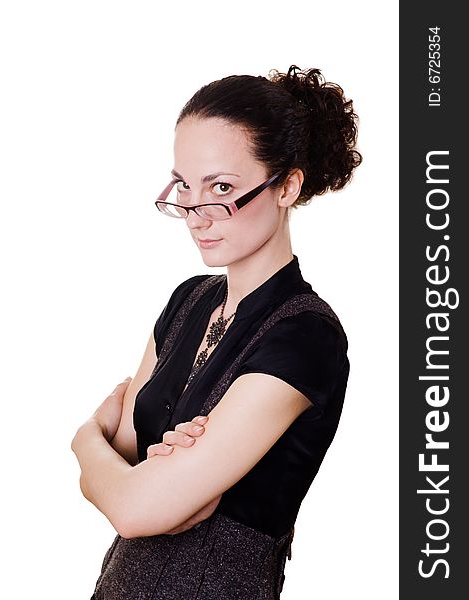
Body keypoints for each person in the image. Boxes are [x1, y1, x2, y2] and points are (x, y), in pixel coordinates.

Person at [71, 64, 362, 599]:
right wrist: (112, 457)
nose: (195, 214)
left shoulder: (304, 337)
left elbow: (133, 507)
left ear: (287, 186)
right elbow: (127, 456)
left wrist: (88, 444)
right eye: (185, 186)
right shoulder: (189, 301)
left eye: (221, 187)